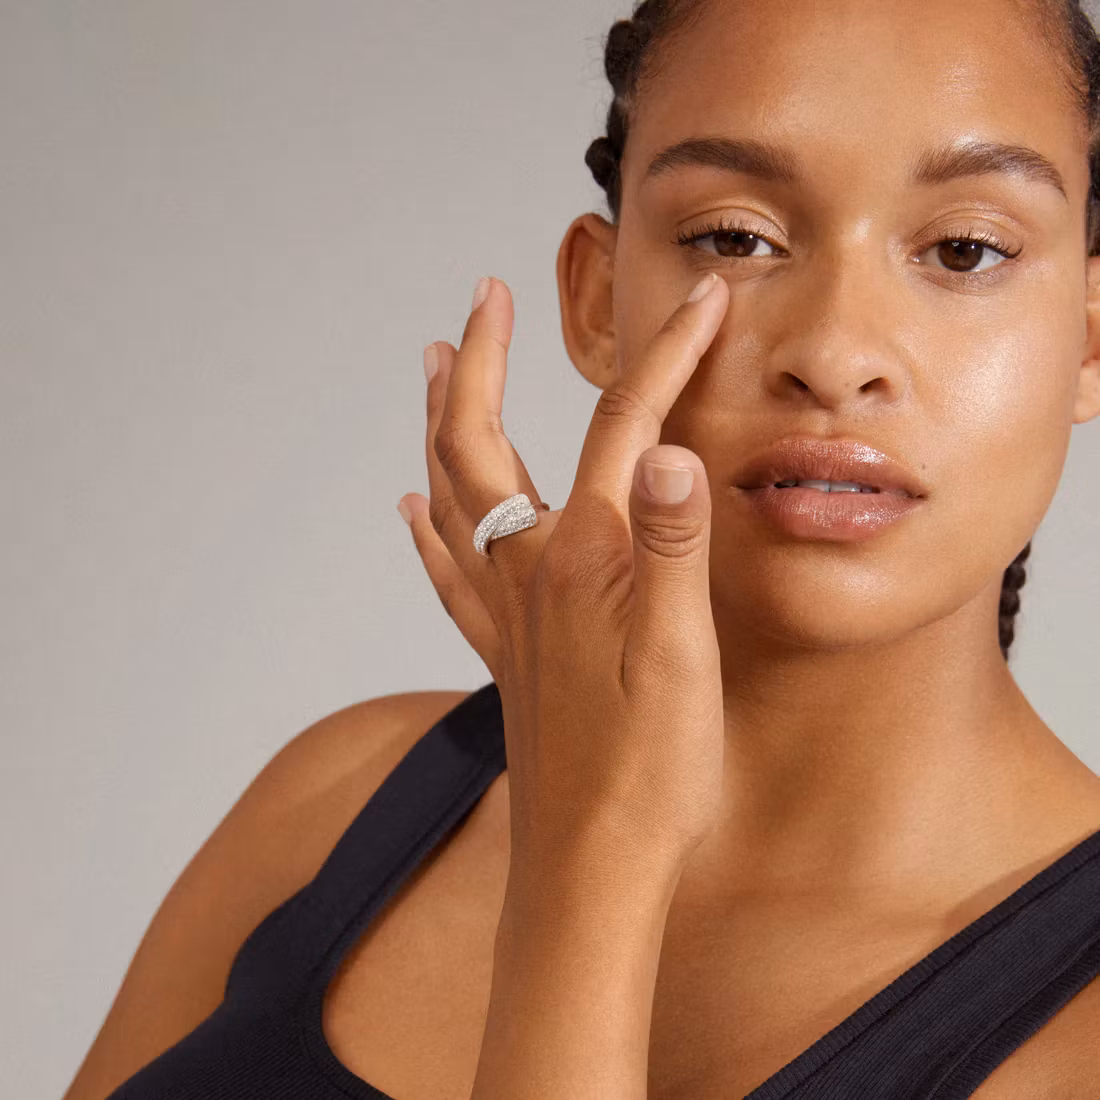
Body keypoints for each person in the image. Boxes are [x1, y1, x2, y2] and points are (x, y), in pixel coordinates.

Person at [64, 0, 1100, 1097]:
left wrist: (593, 864)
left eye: (964, 249)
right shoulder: (335, 800)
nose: (836, 354)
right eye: (734, 238)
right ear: (598, 301)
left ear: (1086, 342)